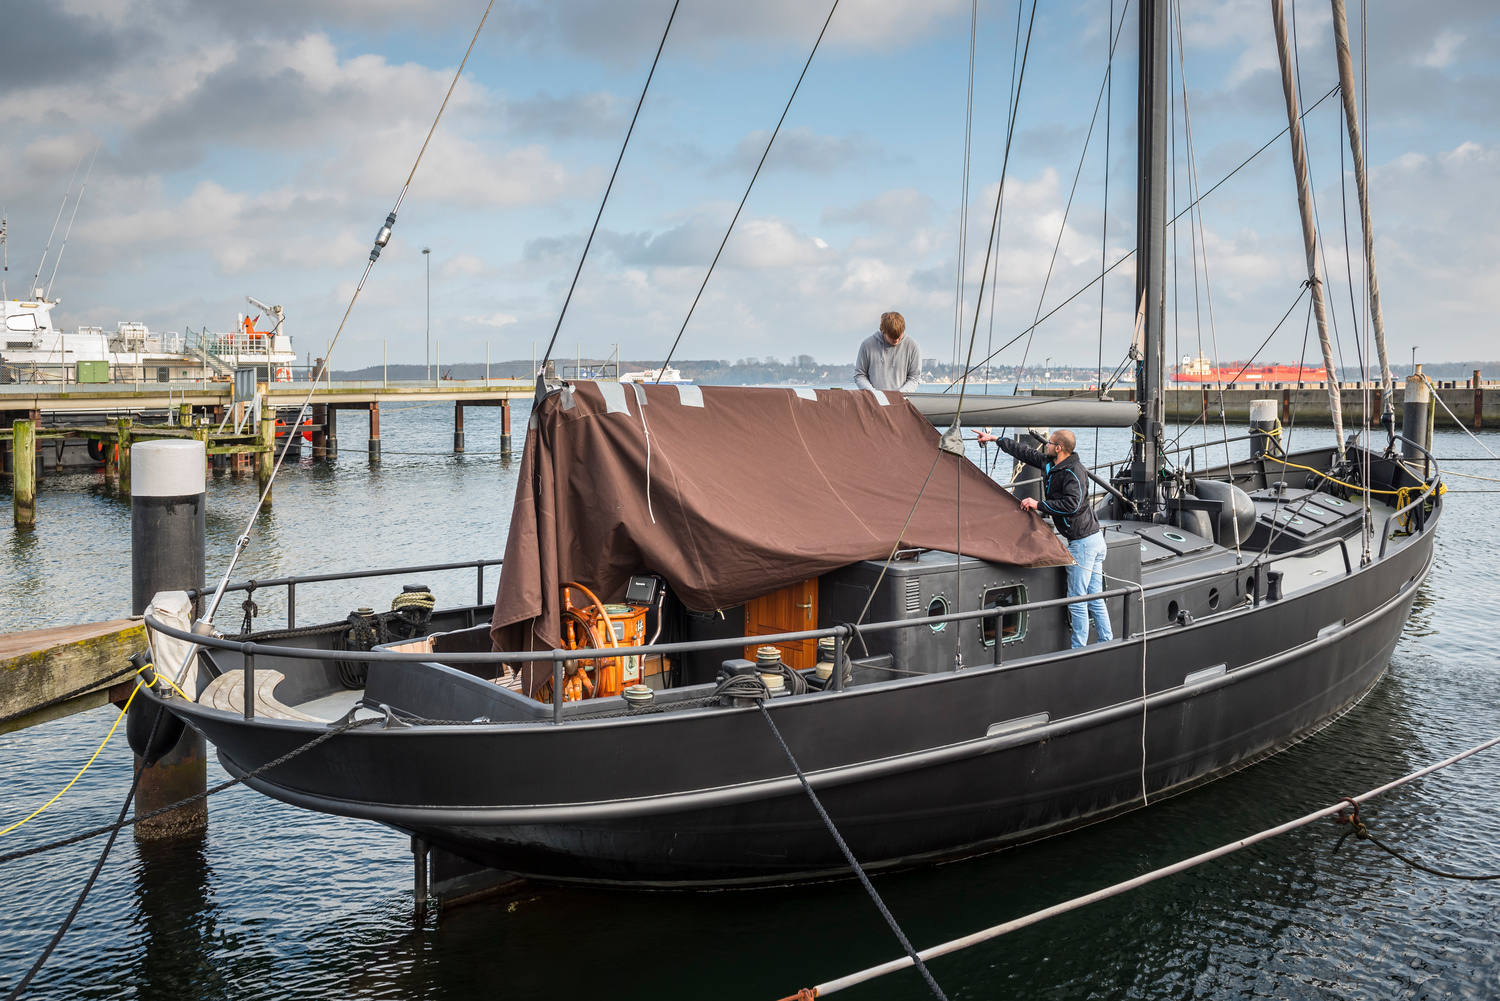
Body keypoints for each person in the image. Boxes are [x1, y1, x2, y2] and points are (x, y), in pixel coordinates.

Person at [975, 428, 1113, 648]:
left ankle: (1078, 650)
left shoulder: (1074, 472)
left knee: (1077, 600)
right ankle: (1108, 642)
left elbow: (1073, 505)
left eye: (1049, 443)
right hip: (1092, 539)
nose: (1046, 445)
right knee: (1095, 597)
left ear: (1059, 448)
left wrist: (1038, 504)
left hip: (1084, 543)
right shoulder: (1051, 463)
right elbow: (1024, 452)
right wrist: (995, 439)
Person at [854, 311, 921, 393]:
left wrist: (900, 395)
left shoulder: (913, 346)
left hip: (901, 401)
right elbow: (860, 375)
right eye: (892, 337)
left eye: (899, 336)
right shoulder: (867, 345)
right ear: (883, 331)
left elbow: (914, 377)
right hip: (872, 401)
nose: (896, 340)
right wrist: (873, 394)